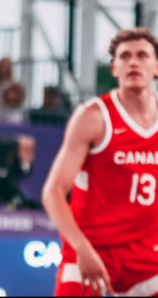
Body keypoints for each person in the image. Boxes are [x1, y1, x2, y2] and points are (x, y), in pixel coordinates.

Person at [43, 27, 158, 296]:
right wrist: (82, 249)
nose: (133, 62)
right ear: (115, 68)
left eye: (142, 55)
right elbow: (53, 192)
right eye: (125, 56)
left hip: (145, 253)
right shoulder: (93, 116)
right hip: (91, 247)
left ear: (156, 66)